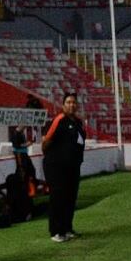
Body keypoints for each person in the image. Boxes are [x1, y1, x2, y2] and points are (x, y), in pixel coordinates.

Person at [42, 93, 86, 243]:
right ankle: (55, 231)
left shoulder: (78, 123)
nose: (71, 105)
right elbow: (46, 141)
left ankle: (67, 228)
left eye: (74, 102)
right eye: (68, 102)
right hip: (56, 167)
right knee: (57, 198)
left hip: (73, 167)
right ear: (63, 105)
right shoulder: (59, 120)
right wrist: (53, 157)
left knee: (70, 198)